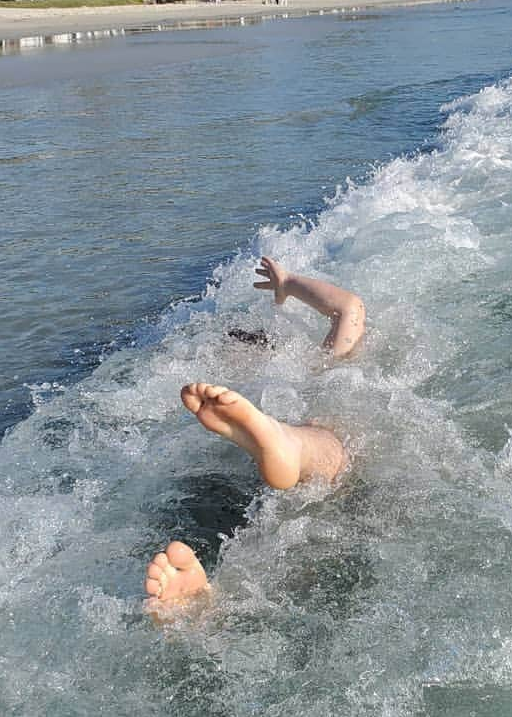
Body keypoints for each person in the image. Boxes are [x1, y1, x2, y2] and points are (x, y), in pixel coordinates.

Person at [144, 260, 363, 610]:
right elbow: (349, 308)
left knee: (323, 440)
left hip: (288, 465)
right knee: (293, 547)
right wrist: (290, 283)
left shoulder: (310, 373)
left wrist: (286, 282)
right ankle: (203, 604)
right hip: (319, 474)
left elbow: (350, 308)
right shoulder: (319, 368)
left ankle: (286, 442)